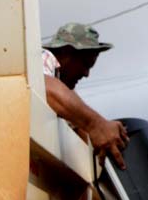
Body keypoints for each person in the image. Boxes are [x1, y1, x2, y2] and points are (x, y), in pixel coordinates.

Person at [42, 22, 129, 169]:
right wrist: (96, 124)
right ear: (65, 52)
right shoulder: (44, 57)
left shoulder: (63, 91)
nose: (86, 74)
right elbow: (43, 84)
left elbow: (78, 127)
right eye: (85, 64)